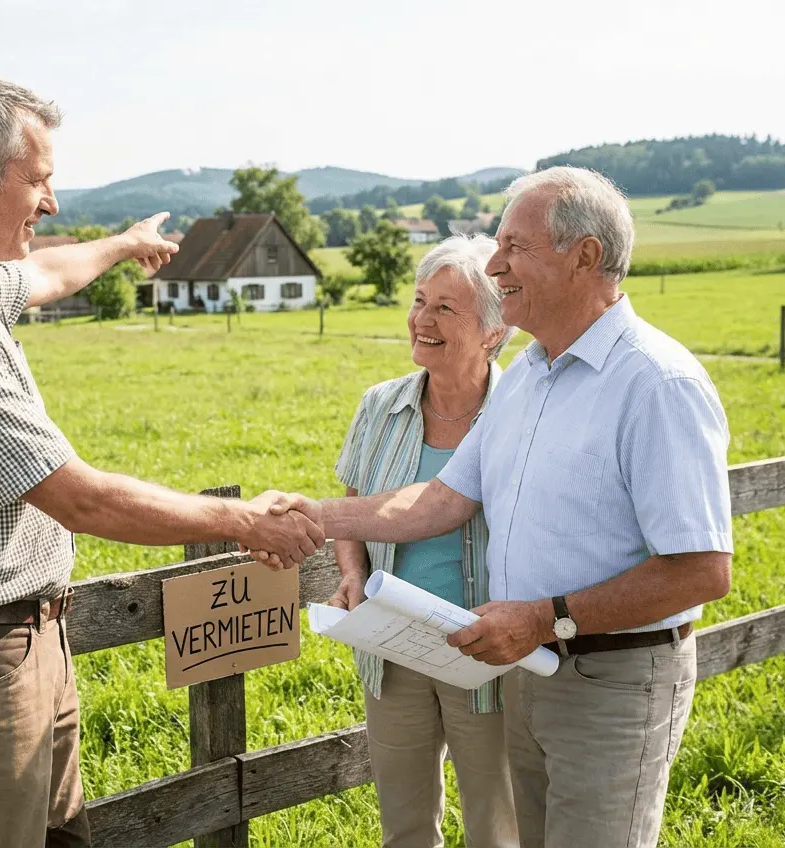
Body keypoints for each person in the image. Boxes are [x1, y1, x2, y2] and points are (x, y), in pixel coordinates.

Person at [0, 73, 323, 848]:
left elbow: (48, 273)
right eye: (39, 180)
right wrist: (242, 520)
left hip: (12, 644)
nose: (51, 202)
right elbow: (82, 500)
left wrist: (129, 244)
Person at [259, 167, 733, 848]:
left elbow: (701, 572)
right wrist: (319, 515)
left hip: (613, 679)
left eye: (515, 246)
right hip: (531, 671)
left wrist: (546, 618)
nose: (494, 263)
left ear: (585, 256)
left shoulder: (655, 383)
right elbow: (442, 500)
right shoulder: (533, 377)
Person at [331, 235, 519, 847]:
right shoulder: (380, 406)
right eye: (419, 301)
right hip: (392, 646)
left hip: (487, 649)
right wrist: (353, 577)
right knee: (405, 825)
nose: (423, 319)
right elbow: (356, 506)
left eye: (446, 308)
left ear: (493, 331)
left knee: (496, 825)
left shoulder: (522, 411)